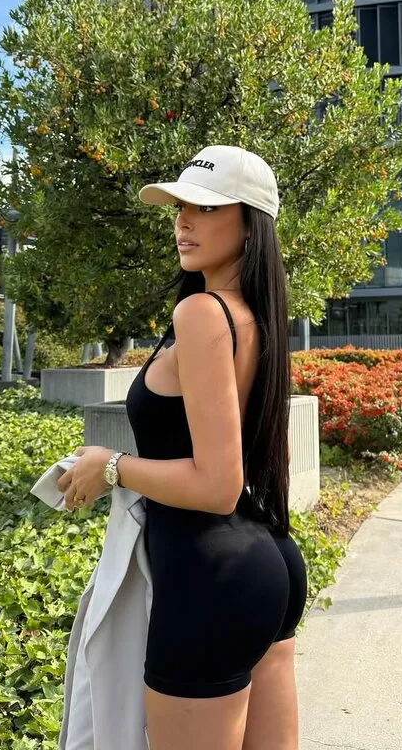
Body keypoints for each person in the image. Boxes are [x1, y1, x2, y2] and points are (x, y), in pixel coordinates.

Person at [125, 144, 307, 750]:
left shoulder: (202, 313)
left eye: (205, 208)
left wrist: (113, 467)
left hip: (209, 575)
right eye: (180, 206)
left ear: (250, 224)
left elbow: (216, 485)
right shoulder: (257, 314)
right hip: (268, 557)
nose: (183, 220)